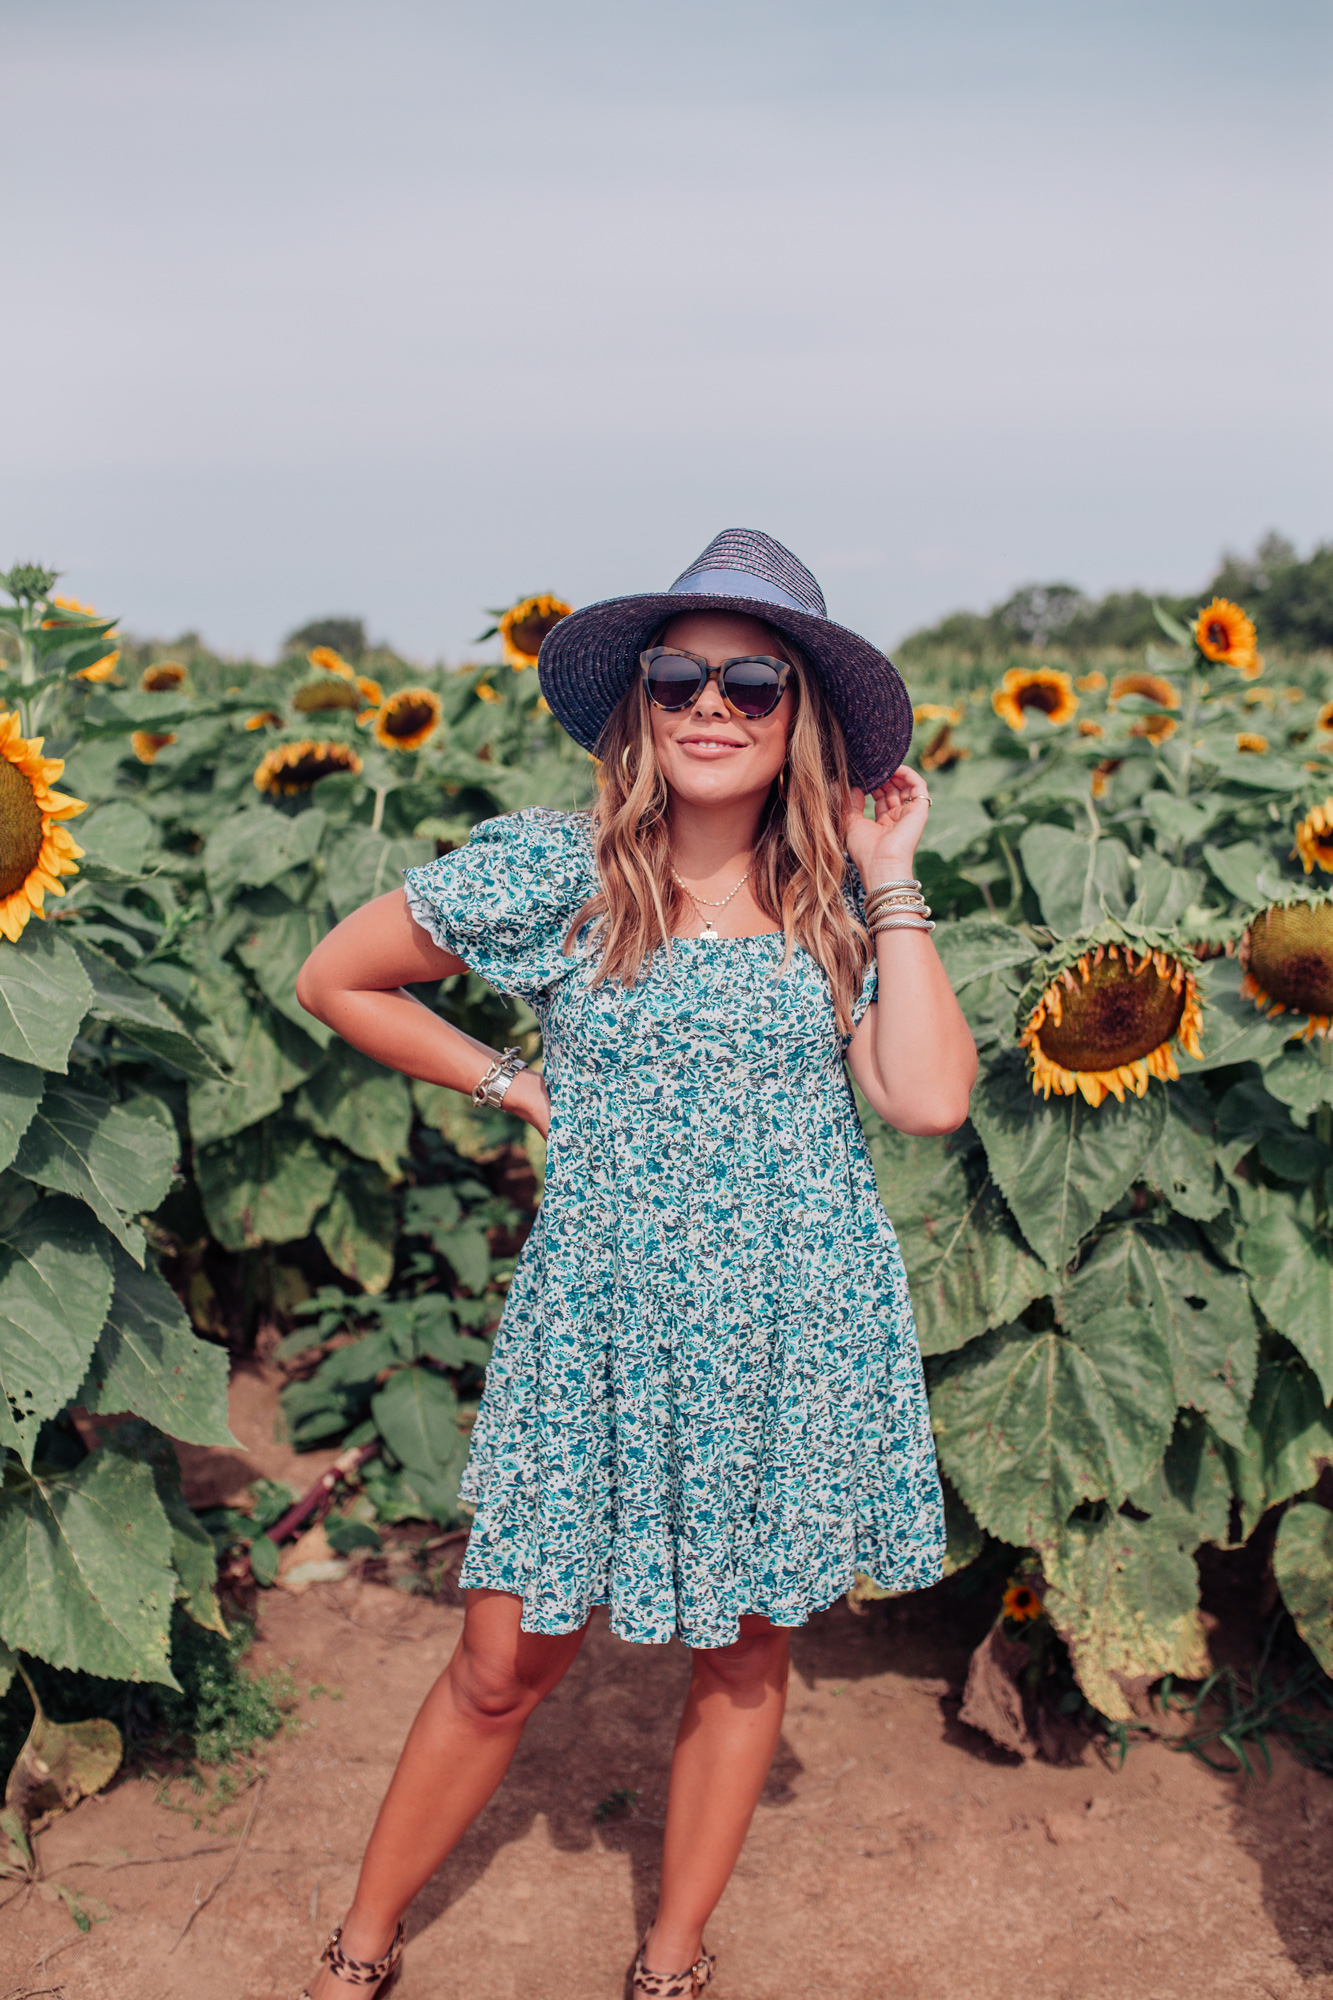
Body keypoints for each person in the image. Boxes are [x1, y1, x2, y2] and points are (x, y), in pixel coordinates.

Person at [293, 529, 977, 1998]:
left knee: (737, 1662)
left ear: (799, 718)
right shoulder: (555, 871)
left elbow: (922, 1099)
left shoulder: (834, 906)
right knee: (501, 1661)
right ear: (640, 705)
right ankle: (361, 1944)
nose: (708, 704)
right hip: (596, 1323)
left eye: (750, 680)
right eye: (677, 676)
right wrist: (508, 1083)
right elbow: (337, 977)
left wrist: (892, 875)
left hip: (786, 1328)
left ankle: (670, 1956)